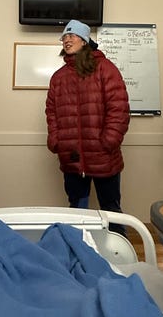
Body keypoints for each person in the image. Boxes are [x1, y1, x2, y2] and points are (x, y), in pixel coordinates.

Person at [46, 20, 130, 233]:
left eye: (71, 36)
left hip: (104, 155)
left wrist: (108, 141)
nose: (66, 40)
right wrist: (56, 141)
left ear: (84, 41)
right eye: (64, 37)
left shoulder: (106, 69)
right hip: (71, 157)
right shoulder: (58, 77)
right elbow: (51, 112)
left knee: (111, 209)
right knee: (76, 210)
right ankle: (78, 249)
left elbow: (119, 109)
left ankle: (119, 250)